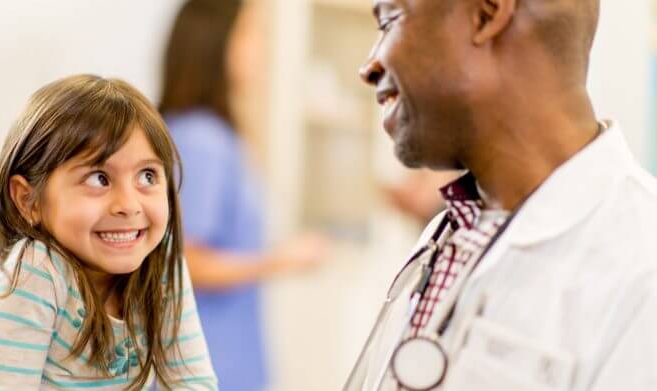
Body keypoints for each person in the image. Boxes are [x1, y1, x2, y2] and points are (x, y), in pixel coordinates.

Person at [346, 0, 657, 389]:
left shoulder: (643, 270)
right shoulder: (453, 233)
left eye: (391, 20)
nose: (369, 66)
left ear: (487, 14)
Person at [0, 74, 218, 390]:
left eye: (147, 176)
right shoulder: (37, 274)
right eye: (98, 179)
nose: (129, 206)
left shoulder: (162, 261)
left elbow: (193, 382)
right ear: (28, 200)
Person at [159, 1, 328, 389]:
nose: (260, 49)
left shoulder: (203, 134)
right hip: (209, 367)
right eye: (250, 34)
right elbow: (185, 261)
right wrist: (281, 260)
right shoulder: (203, 140)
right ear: (216, 43)